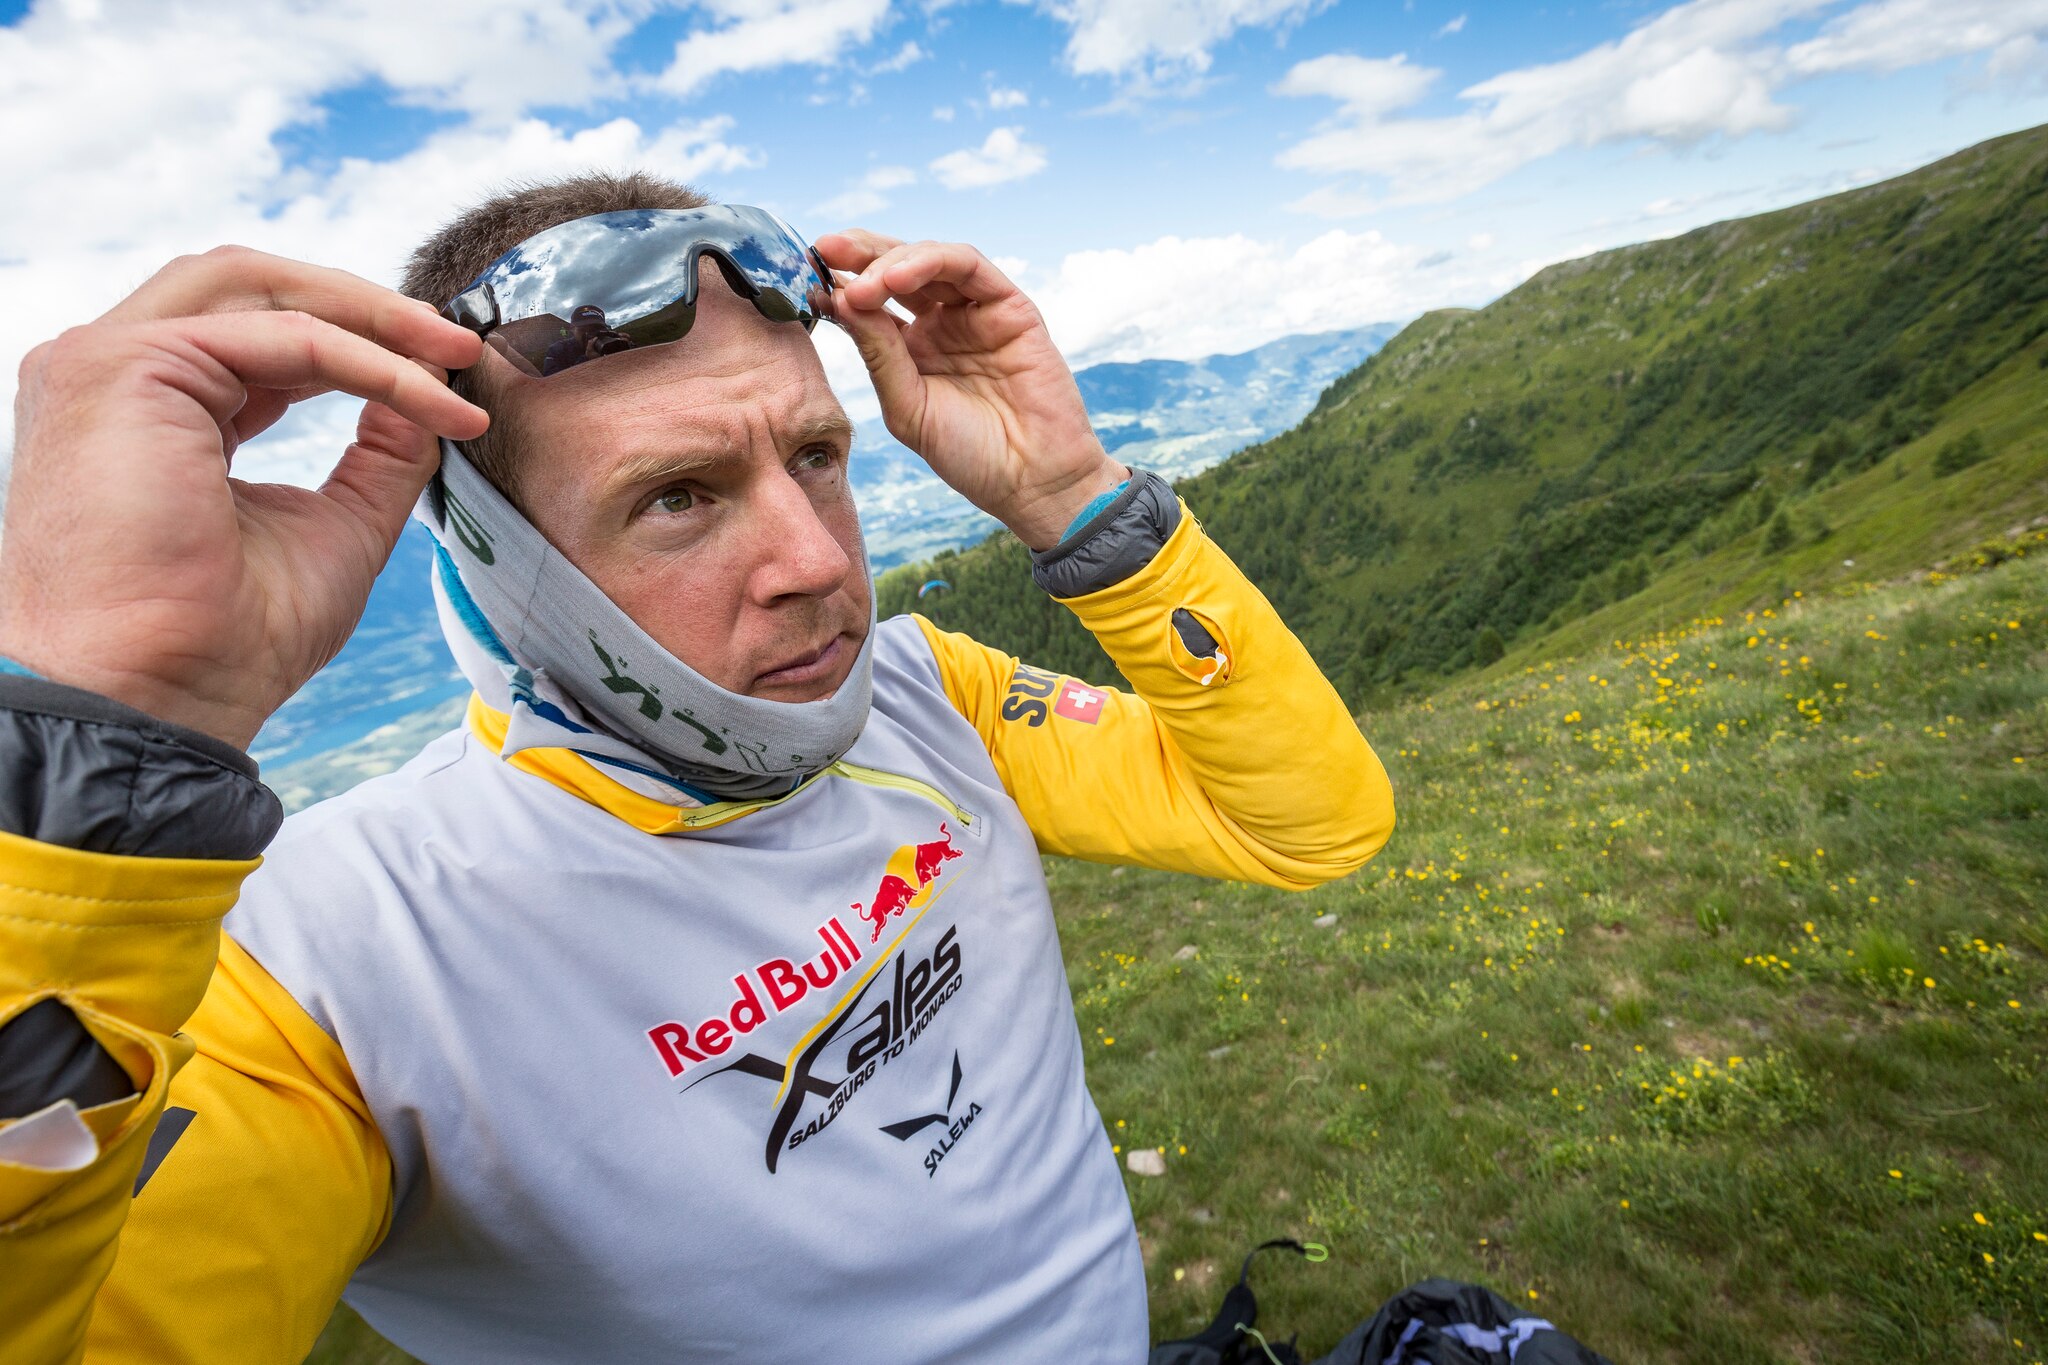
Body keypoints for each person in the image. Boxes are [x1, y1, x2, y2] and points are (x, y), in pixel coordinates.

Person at [0, 174, 1395, 1364]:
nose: (815, 563)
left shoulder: (925, 690)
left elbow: (1310, 823)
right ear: (500, 557)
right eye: (678, 496)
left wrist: (1075, 498)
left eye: (817, 455)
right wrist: (100, 723)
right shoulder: (339, 959)